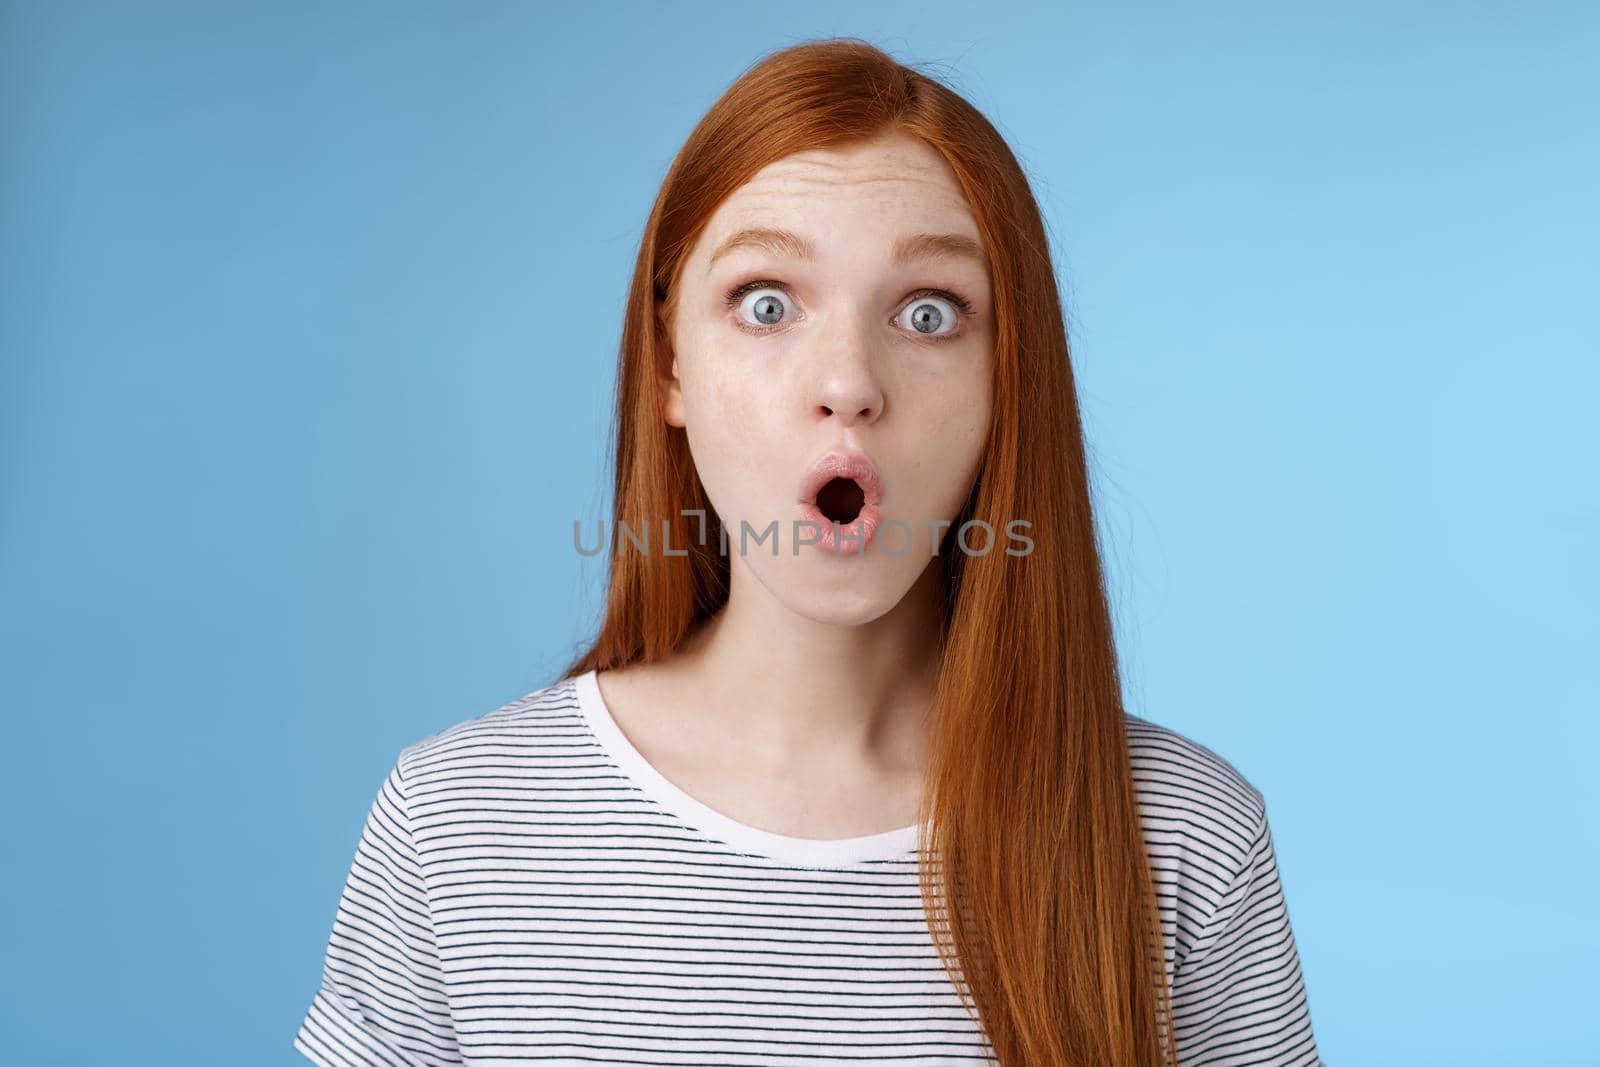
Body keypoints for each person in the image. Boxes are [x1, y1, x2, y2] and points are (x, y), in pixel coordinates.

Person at [294, 37, 1321, 1067]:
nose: (847, 381)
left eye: (929, 312)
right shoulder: (456, 825)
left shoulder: (1184, 839)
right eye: (767, 302)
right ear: (669, 369)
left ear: (1010, 381)